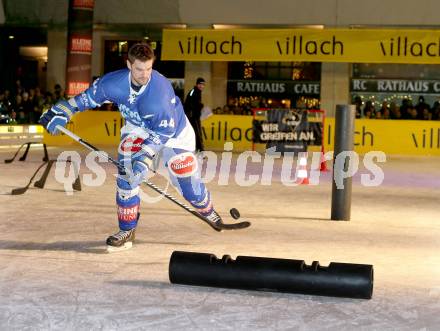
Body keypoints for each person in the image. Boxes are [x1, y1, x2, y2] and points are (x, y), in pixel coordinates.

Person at [39, 43, 223, 252]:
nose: (144, 75)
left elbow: (161, 134)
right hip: (137, 129)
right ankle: (126, 229)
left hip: (174, 135)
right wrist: (61, 111)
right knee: (127, 172)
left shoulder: (159, 93)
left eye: (148, 69)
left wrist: (143, 161)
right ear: (129, 65)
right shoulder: (112, 83)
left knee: (187, 183)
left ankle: (208, 210)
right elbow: (86, 99)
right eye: (139, 69)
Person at [183, 77, 205, 153]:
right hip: (192, 116)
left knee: (196, 132)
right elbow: (189, 104)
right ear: (197, 84)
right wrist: (199, 106)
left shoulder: (198, 92)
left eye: (203, 85)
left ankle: (197, 148)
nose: (201, 86)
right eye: (200, 84)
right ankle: (200, 149)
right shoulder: (193, 92)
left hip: (195, 116)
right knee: (197, 132)